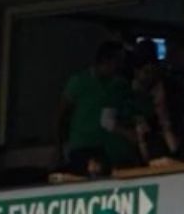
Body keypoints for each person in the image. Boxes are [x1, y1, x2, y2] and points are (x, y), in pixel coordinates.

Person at [57, 41, 140, 169]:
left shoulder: (116, 86)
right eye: (118, 62)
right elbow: (61, 114)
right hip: (81, 146)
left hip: (105, 148)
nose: (120, 66)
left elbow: (111, 119)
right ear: (106, 60)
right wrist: (59, 147)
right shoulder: (79, 81)